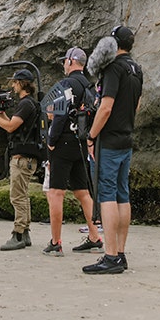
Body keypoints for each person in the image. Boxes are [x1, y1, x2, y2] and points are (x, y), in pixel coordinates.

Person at [83, 25, 143, 275]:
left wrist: (91, 136)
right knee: (122, 194)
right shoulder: (136, 69)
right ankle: (120, 252)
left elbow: (105, 107)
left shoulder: (113, 69)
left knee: (106, 193)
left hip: (108, 140)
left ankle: (110, 255)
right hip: (126, 138)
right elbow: (137, 105)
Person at [43, 47, 103, 256]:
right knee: (82, 191)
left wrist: (51, 141)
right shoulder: (90, 86)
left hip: (64, 142)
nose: (63, 65)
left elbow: (59, 114)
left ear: (70, 61)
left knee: (56, 192)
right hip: (82, 141)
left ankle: (56, 241)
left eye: (64, 61)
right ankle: (95, 236)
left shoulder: (66, 84)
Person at [0, 69, 41, 251]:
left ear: (22, 83)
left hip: (22, 158)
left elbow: (10, 125)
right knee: (22, 195)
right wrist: (1, 114)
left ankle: (18, 233)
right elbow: (12, 127)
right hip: (27, 156)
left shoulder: (26, 104)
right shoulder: (30, 104)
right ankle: (25, 232)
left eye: (15, 82)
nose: (12, 86)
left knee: (17, 197)